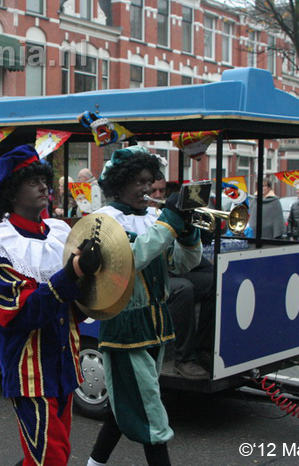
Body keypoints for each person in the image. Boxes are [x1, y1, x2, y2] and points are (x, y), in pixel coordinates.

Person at [0, 145, 101, 466]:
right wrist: (71, 273)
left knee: (49, 455)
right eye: (32, 181)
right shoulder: (1, 244)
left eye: (43, 180)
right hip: (29, 373)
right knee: (51, 458)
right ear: (11, 191)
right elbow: (21, 313)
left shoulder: (59, 233)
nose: (44, 187)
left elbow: (75, 308)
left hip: (64, 365)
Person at [87, 146, 202, 466]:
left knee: (126, 403)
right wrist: (169, 223)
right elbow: (130, 259)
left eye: (150, 181)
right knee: (150, 410)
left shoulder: (152, 219)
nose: (148, 188)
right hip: (124, 325)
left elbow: (182, 264)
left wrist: (188, 231)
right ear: (118, 183)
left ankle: (94, 463)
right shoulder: (102, 220)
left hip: (155, 324)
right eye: (139, 181)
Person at [147, 178, 211, 380]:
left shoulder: (163, 210)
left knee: (213, 281)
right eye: (153, 191)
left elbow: (183, 258)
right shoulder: (145, 215)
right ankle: (183, 359)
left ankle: (204, 349)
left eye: (161, 190)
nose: (158, 196)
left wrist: (191, 230)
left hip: (170, 267)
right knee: (183, 289)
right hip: (150, 276)